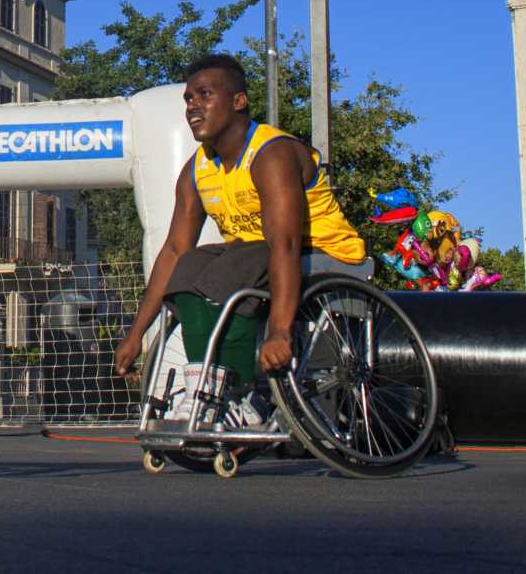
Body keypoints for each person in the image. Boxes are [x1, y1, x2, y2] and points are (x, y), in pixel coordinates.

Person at [111, 54, 365, 429]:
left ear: (239, 101)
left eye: (204, 94)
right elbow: (174, 250)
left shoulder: (271, 153)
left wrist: (279, 332)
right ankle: (205, 386)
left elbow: (286, 245)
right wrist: (135, 335)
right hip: (255, 259)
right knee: (189, 267)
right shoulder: (197, 170)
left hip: (324, 254)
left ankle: (245, 393)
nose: (192, 105)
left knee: (233, 265)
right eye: (188, 99)